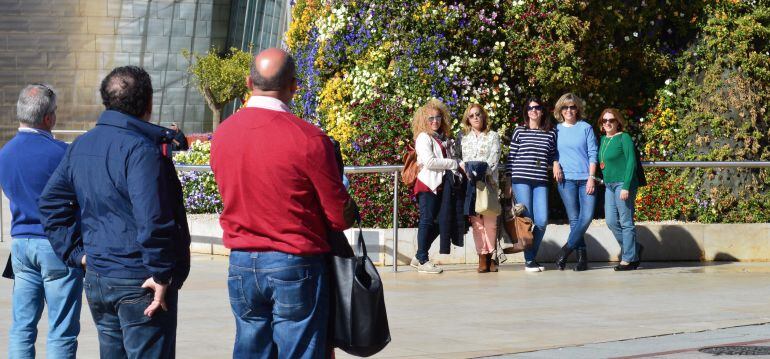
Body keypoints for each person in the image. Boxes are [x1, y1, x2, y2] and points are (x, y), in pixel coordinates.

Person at [210, 48, 357, 359]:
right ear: (294, 86)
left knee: (250, 347)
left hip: (241, 260)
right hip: (294, 260)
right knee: (301, 350)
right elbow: (339, 216)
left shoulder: (223, 134)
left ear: (249, 82)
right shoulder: (308, 138)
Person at [39, 66, 191, 359]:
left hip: (101, 278)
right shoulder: (141, 150)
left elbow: (50, 203)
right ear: (148, 103)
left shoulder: (82, 144)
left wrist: (78, 253)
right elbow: (153, 218)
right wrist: (160, 273)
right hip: (137, 280)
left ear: (106, 102)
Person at [0, 84, 84, 359]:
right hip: (57, 245)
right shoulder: (63, 153)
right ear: (48, 118)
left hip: (21, 245)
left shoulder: (5, 154)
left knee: (22, 327)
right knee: (62, 329)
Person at [408, 99, 464, 274]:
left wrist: (459, 163)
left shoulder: (444, 138)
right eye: (431, 118)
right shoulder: (423, 138)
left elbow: (451, 158)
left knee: (441, 223)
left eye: (438, 117)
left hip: (442, 186)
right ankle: (423, 260)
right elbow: (430, 162)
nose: (435, 121)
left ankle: (419, 255)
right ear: (424, 120)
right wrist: (453, 163)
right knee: (426, 220)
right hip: (428, 185)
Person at [506, 97, 558, 272]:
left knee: (542, 221)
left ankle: (530, 257)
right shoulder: (519, 131)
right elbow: (511, 158)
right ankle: (530, 261)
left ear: (542, 111)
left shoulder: (550, 133)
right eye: (530, 108)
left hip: (541, 180)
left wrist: (556, 163)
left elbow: (553, 154)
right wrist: (508, 181)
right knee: (527, 221)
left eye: (537, 108)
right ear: (526, 112)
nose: (533, 110)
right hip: (521, 180)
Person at [552, 93, 598, 272]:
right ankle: (582, 259)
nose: (569, 110)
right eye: (565, 107)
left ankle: (565, 250)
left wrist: (591, 177)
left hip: (586, 179)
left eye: (572, 107)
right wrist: (555, 163)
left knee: (586, 218)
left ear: (577, 109)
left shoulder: (585, 127)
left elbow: (593, 153)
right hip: (566, 180)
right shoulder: (555, 130)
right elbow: (552, 152)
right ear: (560, 110)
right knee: (574, 220)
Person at [598, 108, 643, 271]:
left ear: (618, 122)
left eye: (611, 120)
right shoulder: (603, 140)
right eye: (604, 121)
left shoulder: (624, 137)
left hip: (623, 184)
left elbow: (631, 162)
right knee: (610, 221)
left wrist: (626, 186)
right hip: (608, 185)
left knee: (626, 221)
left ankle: (628, 259)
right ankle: (634, 249)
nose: (608, 123)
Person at [459, 104, 501, 273]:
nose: (475, 117)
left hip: (488, 183)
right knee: (477, 224)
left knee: (490, 223)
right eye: (471, 116)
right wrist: (470, 173)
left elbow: (494, 159)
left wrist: (482, 173)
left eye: (478, 114)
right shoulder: (465, 139)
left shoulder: (493, 136)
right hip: (471, 184)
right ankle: (482, 256)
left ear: (483, 116)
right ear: (467, 120)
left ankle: (491, 255)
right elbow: (465, 160)